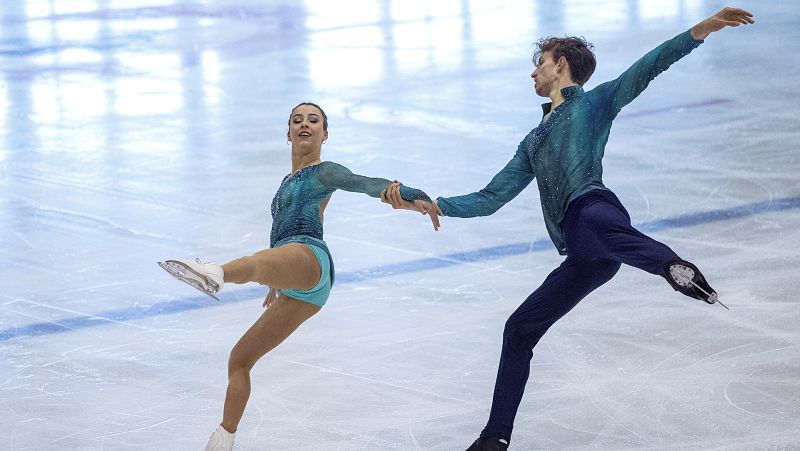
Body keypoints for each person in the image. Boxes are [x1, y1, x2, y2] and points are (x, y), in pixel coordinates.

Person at [382, 7, 754, 450]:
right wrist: (434, 204)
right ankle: (494, 438)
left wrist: (701, 30)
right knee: (519, 330)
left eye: (539, 63)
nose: (533, 73)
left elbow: (649, 65)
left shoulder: (595, 103)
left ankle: (672, 265)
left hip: (594, 209)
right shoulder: (533, 141)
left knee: (600, 224)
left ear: (561, 65)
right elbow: (491, 197)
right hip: (585, 255)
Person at [158, 102, 439, 451]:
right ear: (288, 133)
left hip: (310, 255)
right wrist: (279, 279)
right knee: (240, 358)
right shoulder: (285, 182)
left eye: (313, 120)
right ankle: (223, 438)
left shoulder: (325, 171)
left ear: (325, 133)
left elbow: (368, 184)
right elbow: (279, 232)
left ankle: (215, 272)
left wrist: (413, 196)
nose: (305, 124)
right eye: (297, 120)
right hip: (300, 283)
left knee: (256, 264)